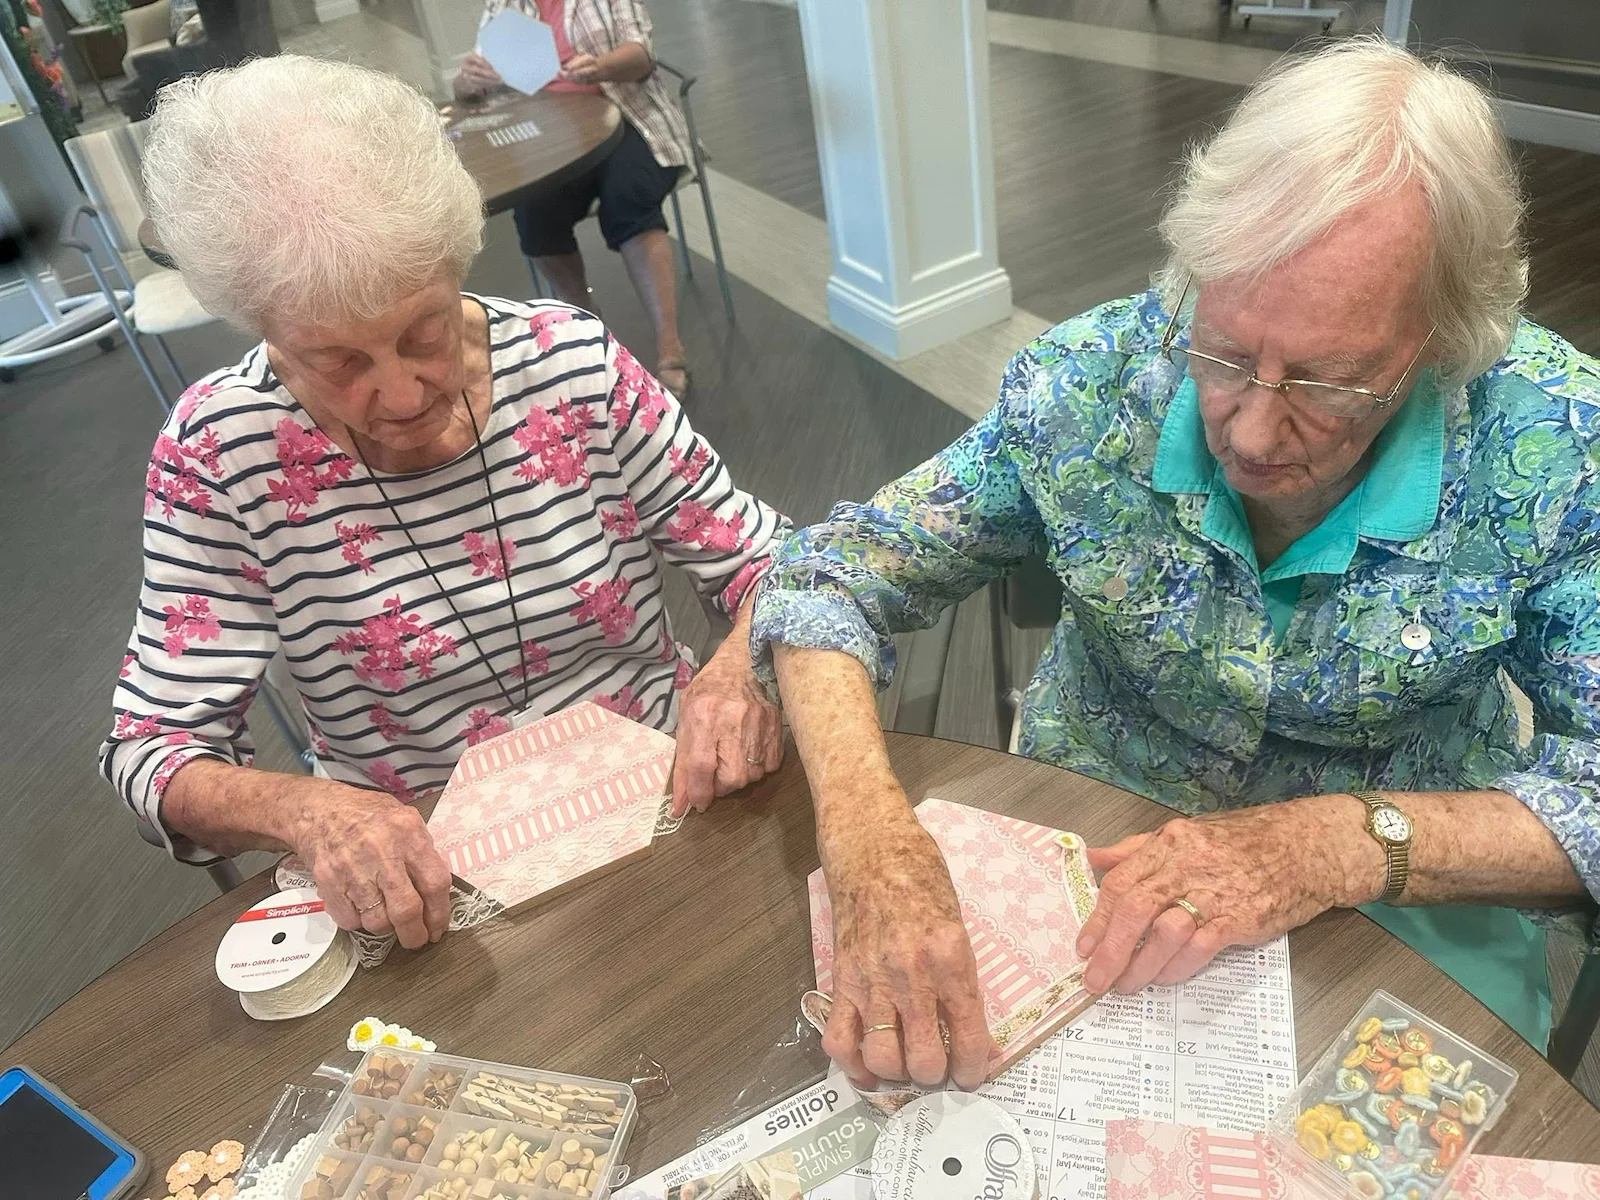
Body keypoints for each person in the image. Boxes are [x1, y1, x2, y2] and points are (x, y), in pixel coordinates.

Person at [753, 37, 1600, 1089]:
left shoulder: (1556, 443)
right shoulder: (1091, 381)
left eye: (1328, 382)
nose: (1250, 432)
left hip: (1399, 883)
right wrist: (871, 847)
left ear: (1442, 338)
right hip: (1088, 836)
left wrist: (1337, 843)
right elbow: (829, 576)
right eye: (1225, 354)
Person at [100, 56, 787, 952]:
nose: (398, 395)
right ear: (261, 328)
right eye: (335, 362)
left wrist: (736, 672)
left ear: (455, 259)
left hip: (673, 793)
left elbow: (769, 564)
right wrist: (308, 811)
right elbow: (151, 746)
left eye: (422, 333)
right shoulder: (220, 454)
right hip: (428, 874)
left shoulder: (571, 364)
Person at [454, 0, 694, 399]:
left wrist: (602, 67)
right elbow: (469, 87)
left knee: (629, 199)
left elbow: (641, 55)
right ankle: (588, 328)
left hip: (626, 117)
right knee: (535, 217)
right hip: (546, 132)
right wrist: (468, 80)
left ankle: (670, 347)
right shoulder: (504, 5)